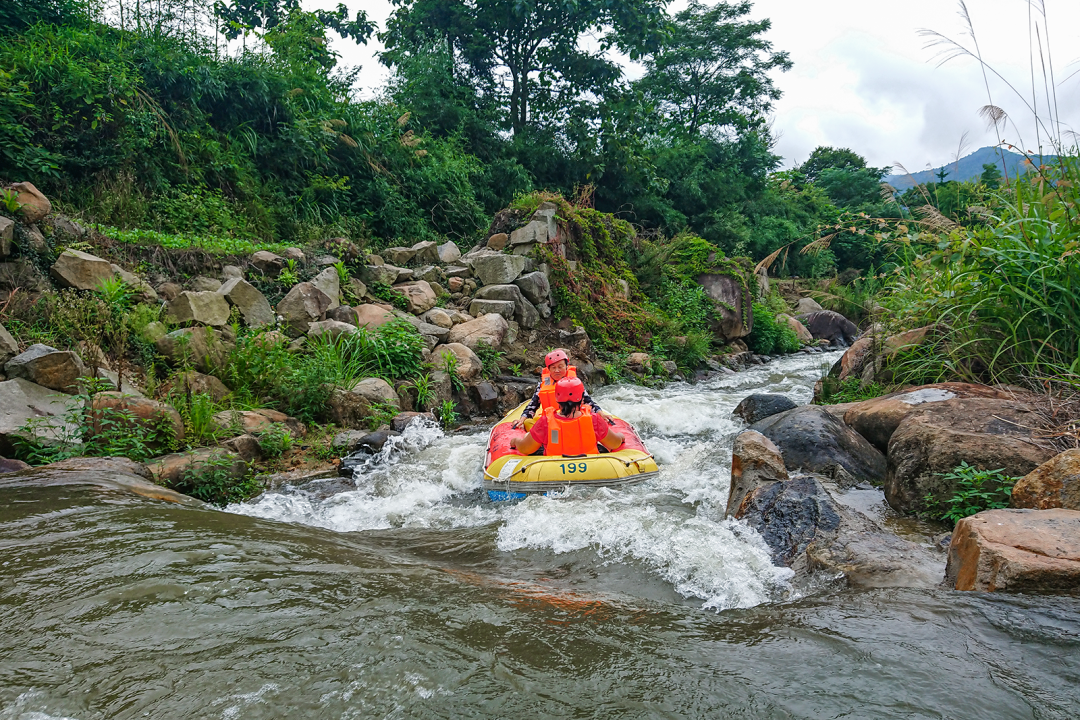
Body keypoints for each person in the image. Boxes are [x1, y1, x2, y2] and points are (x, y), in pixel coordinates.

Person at [511, 377, 623, 456]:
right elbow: (614, 443)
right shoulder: (594, 419)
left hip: (552, 469)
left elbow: (525, 449)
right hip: (591, 468)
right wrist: (621, 437)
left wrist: (516, 441)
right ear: (582, 399)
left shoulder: (545, 421)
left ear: (557, 400)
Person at [512, 349, 610, 429]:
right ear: (548, 370)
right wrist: (522, 419)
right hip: (550, 421)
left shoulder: (575, 383)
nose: (557, 370)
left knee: (593, 421)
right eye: (553, 368)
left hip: (573, 419)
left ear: (566, 366)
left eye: (560, 366)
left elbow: (588, 401)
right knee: (528, 422)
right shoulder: (542, 385)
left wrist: (601, 414)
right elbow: (533, 405)